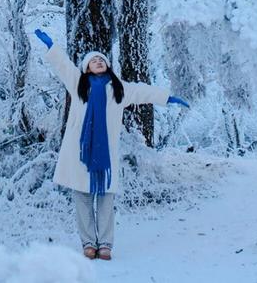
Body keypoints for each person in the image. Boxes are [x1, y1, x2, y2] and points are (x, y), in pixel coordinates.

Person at [34, 28, 189, 261]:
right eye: (93, 60)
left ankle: (105, 245)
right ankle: (88, 243)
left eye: (101, 60)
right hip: (79, 154)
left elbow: (143, 91)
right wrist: (51, 46)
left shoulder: (119, 90)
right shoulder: (78, 85)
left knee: (105, 198)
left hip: (105, 155)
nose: (98, 61)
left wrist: (167, 97)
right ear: (86, 68)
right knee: (82, 198)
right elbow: (63, 64)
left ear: (107, 66)